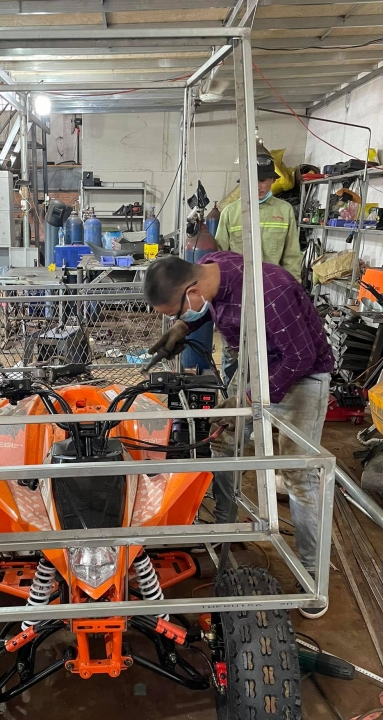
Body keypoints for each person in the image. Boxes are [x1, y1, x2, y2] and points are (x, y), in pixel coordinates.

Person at [144, 252, 334, 619]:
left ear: (193, 291)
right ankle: (225, 530)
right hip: (252, 365)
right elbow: (208, 312)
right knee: (224, 445)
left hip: (303, 376)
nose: (177, 317)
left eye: (176, 312)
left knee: (299, 475)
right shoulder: (211, 267)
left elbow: (300, 356)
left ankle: (311, 573)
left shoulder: (271, 291)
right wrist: (184, 327)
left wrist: (251, 400)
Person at [216, 153, 302, 383]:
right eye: (254, 180)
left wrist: (293, 293)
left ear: (272, 180)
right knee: (233, 351)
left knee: (270, 349)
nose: (259, 186)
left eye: (264, 180)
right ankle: (231, 397)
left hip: (272, 296)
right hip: (236, 297)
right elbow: (219, 258)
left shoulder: (284, 211)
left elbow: (292, 256)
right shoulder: (230, 213)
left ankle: (263, 397)